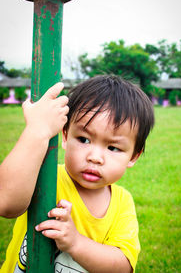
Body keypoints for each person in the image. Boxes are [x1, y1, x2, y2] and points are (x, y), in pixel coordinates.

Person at [0, 75, 154, 273]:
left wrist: (75, 243)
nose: (95, 157)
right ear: (65, 135)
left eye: (113, 148)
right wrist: (36, 131)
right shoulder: (45, 176)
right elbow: (6, 203)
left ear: (133, 156)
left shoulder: (122, 203)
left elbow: (123, 266)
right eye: (84, 139)